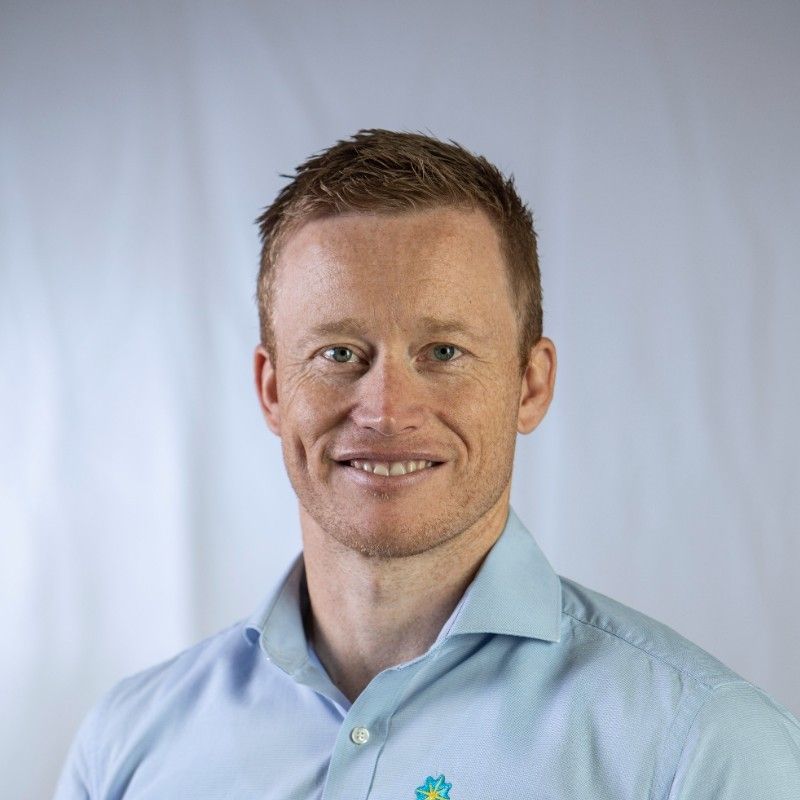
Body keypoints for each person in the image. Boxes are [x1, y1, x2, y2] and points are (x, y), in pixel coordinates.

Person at [55, 130, 800, 799]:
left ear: (530, 385)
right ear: (273, 389)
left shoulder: (702, 749)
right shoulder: (127, 743)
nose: (385, 410)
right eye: (338, 353)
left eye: (443, 352)